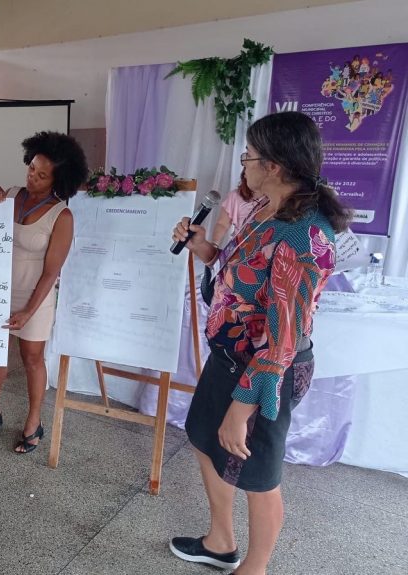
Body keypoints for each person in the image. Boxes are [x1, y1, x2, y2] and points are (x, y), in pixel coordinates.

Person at [169, 112, 351, 574]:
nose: (243, 165)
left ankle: (256, 567)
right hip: (229, 356)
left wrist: (242, 406)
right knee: (203, 437)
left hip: (267, 370)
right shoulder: (264, 209)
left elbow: (284, 338)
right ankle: (220, 542)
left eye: (247, 156)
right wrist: (204, 249)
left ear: (274, 165)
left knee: (258, 474)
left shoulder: (305, 234)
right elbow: (240, 276)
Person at [0, 131, 88, 453]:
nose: (32, 176)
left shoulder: (62, 216)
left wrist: (27, 312)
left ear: (58, 180)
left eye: (42, 175)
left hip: (35, 297)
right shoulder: (8, 196)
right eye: (32, 168)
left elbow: (51, 273)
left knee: (32, 358)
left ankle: (34, 421)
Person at [211, 170, 258, 245]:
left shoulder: (274, 198)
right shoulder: (236, 195)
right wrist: (214, 244)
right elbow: (222, 224)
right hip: (240, 247)